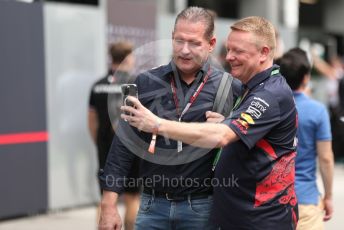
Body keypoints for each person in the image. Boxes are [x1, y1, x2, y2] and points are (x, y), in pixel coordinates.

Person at [122, 16, 299, 229]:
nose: (230, 57)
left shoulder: (269, 93)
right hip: (238, 215)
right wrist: (227, 122)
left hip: (261, 220)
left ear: (264, 52)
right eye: (229, 49)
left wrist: (156, 124)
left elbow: (221, 136)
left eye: (239, 51)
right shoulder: (250, 87)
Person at [98, 6, 240, 230]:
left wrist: (226, 127)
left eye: (194, 43)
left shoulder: (230, 87)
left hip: (203, 207)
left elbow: (250, 147)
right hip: (151, 207)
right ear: (172, 38)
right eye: (179, 41)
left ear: (211, 44)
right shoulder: (146, 82)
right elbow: (124, 144)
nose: (184, 50)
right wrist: (108, 204)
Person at [276, 48, 334, 230]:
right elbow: (325, 158)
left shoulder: (270, 106)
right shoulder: (317, 111)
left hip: (272, 200)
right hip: (306, 199)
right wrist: (328, 196)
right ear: (306, 77)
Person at [88, 41, 139, 230]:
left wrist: (99, 143)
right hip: (129, 150)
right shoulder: (132, 85)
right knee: (132, 196)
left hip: (104, 148)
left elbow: (91, 120)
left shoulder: (97, 86)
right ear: (128, 57)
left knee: (106, 198)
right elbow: (134, 119)